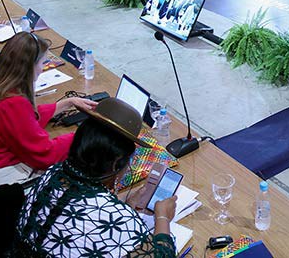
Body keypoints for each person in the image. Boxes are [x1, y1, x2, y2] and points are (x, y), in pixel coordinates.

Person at [12, 98, 177, 257]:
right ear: (116, 163)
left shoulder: (53, 174)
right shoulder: (118, 220)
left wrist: (125, 204)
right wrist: (162, 217)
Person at [0, 32, 96, 192]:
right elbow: (45, 155)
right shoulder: (12, 103)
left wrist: (67, 103)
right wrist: (83, 136)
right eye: (43, 63)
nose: (42, 69)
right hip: (2, 182)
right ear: (29, 67)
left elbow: (24, 120)